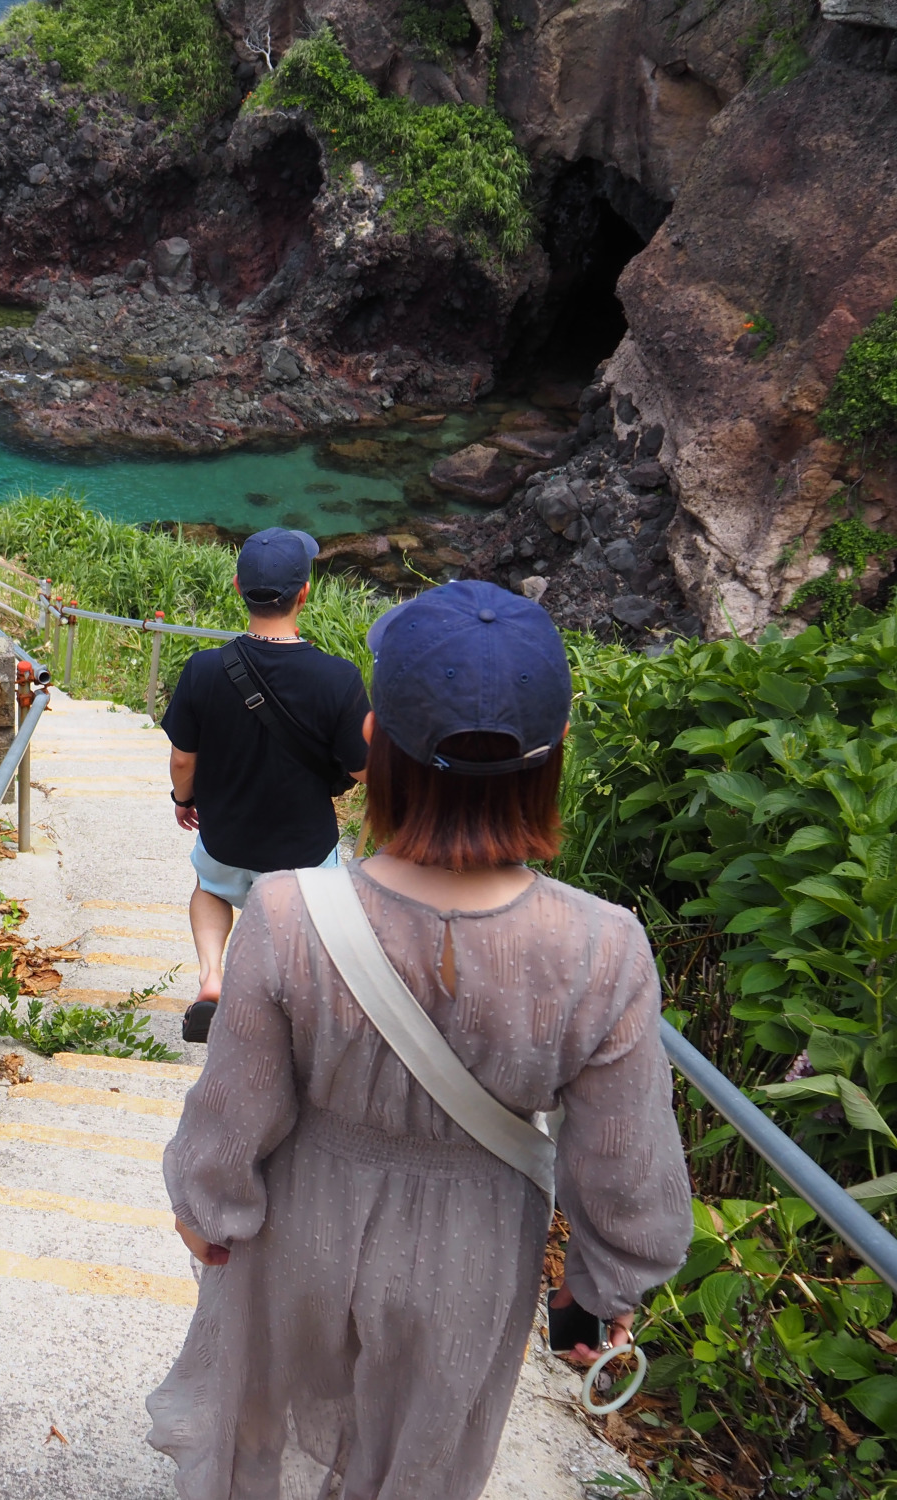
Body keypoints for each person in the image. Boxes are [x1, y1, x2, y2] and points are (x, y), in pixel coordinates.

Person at [146, 579, 692, 1500]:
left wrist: (211, 1211)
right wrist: (601, 1291)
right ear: (554, 754)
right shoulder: (606, 946)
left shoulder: (287, 913)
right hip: (473, 1255)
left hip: (301, 1229)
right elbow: (625, 1165)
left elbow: (233, 1111)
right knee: (420, 1466)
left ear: (375, 745)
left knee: (260, 1437)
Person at [163, 528, 369, 1039]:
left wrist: (183, 800)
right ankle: (281, 1011)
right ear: (304, 592)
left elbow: (182, 760)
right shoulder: (338, 678)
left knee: (210, 887)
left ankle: (212, 979)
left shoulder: (204, 669)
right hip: (303, 844)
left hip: (227, 831)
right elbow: (368, 772)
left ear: (237, 587)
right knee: (304, 918)